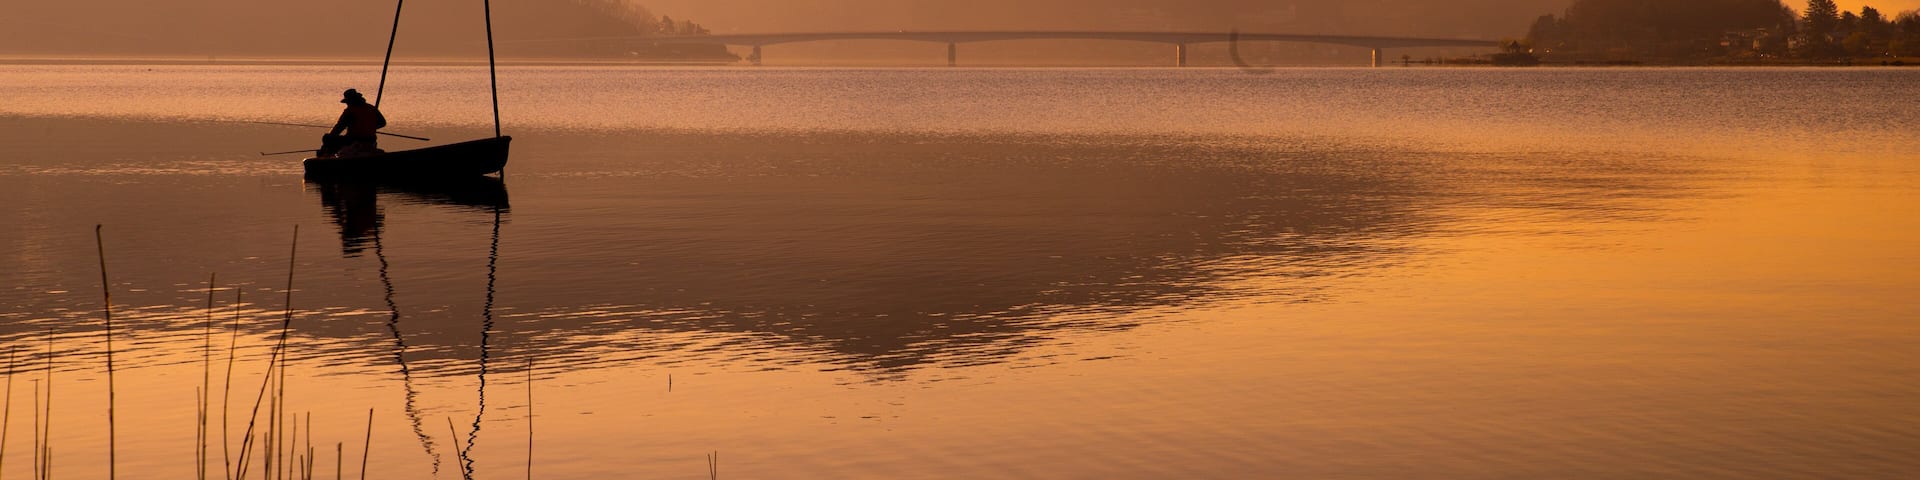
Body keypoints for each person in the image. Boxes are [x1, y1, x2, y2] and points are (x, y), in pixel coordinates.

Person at [318, 89, 387, 158]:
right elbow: (382, 123)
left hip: (353, 140)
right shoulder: (372, 108)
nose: (347, 104)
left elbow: (338, 128)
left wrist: (328, 140)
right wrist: (370, 127)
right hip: (371, 139)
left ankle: (326, 157)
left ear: (351, 101)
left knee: (327, 138)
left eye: (348, 102)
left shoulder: (350, 111)